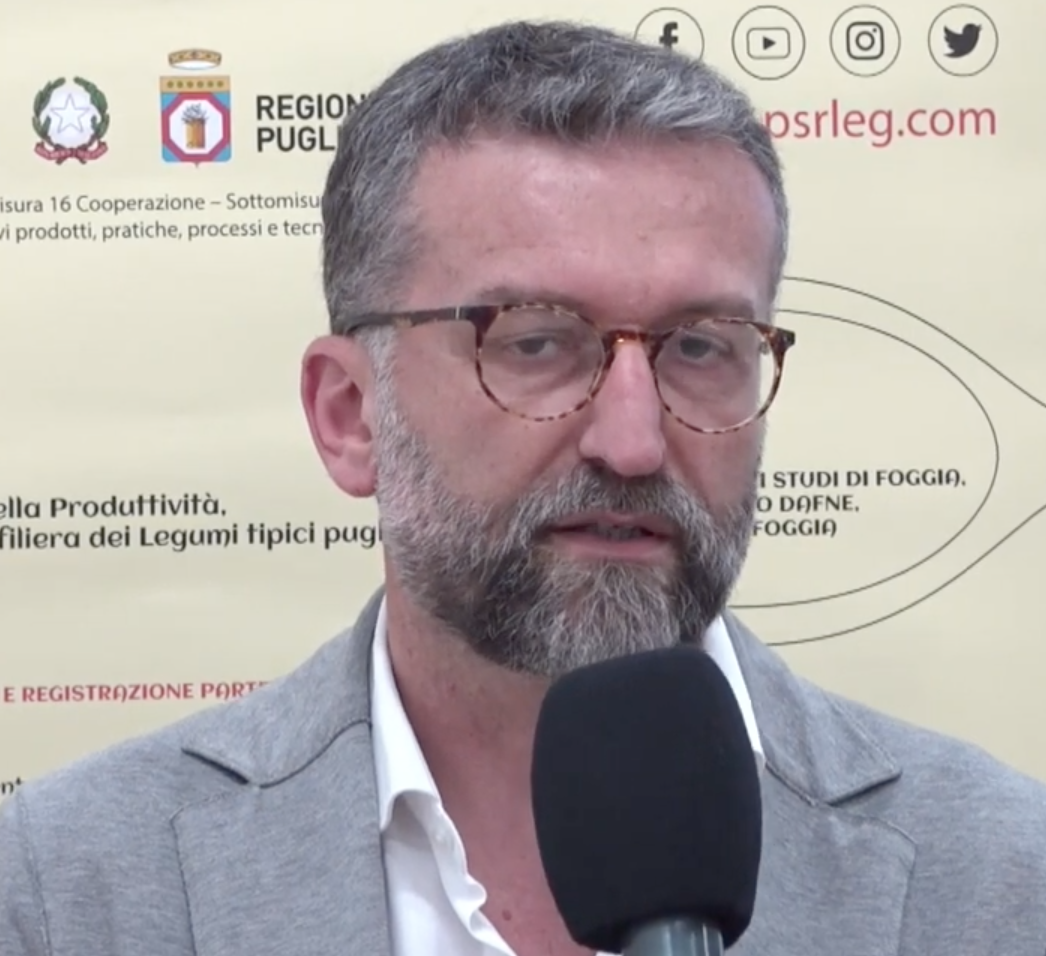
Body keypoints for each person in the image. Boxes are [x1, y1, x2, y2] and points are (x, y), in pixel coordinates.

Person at [2, 19, 1045, 956]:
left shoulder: (1004, 878)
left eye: (699, 345)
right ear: (350, 415)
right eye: (536, 342)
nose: (632, 441)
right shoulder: (62, 890)